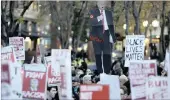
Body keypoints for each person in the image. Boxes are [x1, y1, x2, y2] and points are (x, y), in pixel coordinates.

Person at [89, 1, 116, 74]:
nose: (102, 5)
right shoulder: (92, 12)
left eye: (103, 3)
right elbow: (91, 22)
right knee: (98, 54)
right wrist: (99, 18)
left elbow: (111, 26)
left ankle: (107, 71)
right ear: (97, 4)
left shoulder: (109, 13)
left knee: (107, 54)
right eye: (100, 3)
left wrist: (113, 37)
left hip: (106, 34)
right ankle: (100, 71)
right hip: (97, 36)